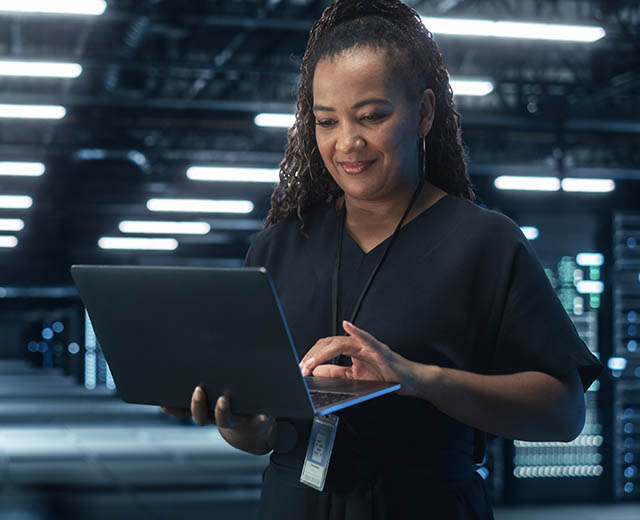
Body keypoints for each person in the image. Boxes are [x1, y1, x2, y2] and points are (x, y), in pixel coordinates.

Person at [163, 1, 603, 518]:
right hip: (295, 502)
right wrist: (244, 426)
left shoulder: (483, 243)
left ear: (424, 113)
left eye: (372, 116)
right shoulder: (278, 247)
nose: (348, 142)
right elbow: (264, 433)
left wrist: (416, 379)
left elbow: (563, 412)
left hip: (425, 504)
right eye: (327, 121)